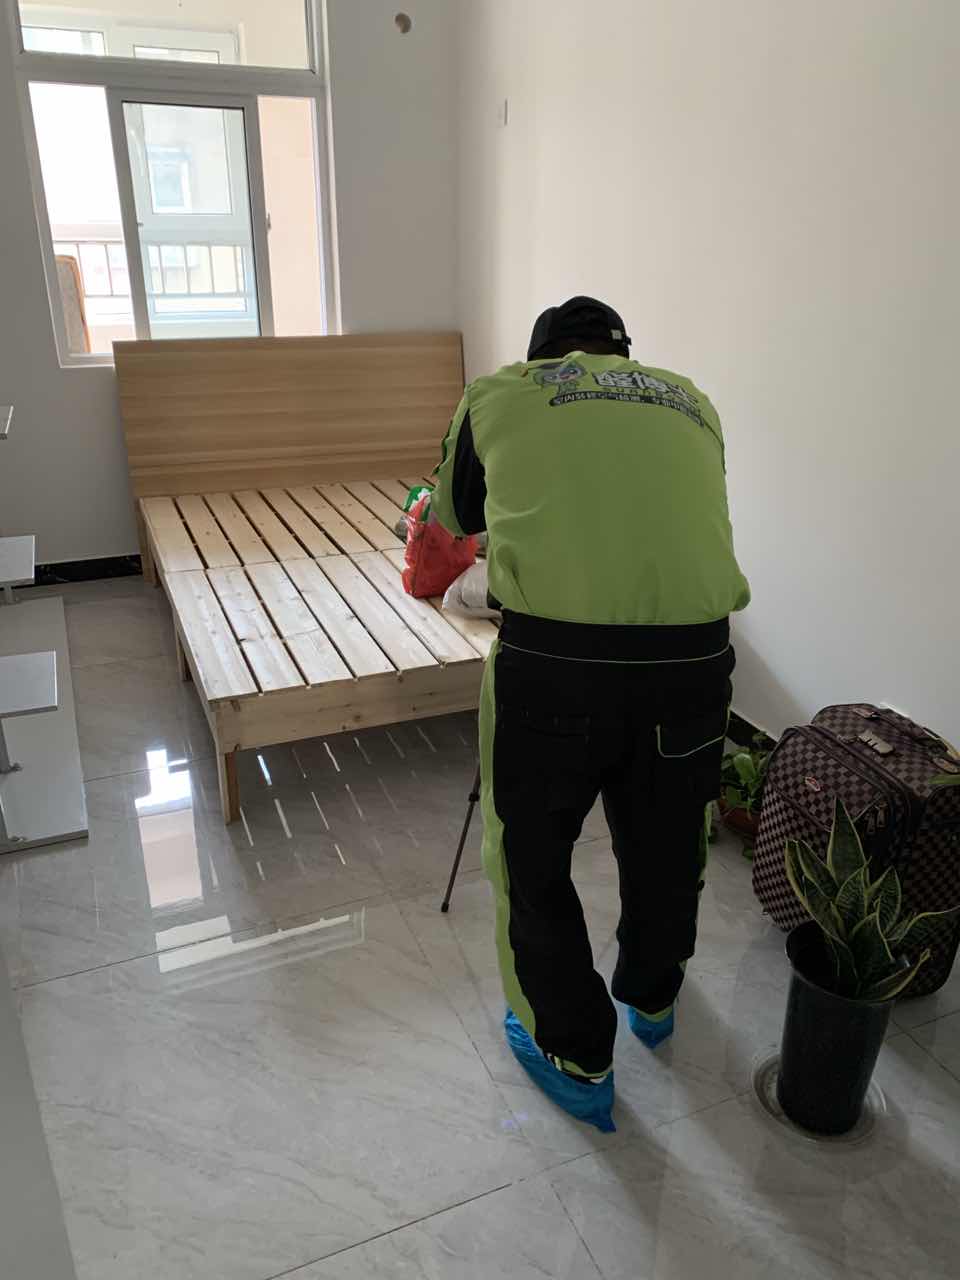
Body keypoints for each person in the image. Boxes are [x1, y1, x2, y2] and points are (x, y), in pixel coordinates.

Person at [431, 297, 750, 1131]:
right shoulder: (691, 398)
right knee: (670, 841)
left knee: (531, 860)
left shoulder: (498, 393)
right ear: (625, 355)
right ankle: (654, 998)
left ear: (542, 355)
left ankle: (573, 1052)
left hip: (556, 671)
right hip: (693, 665)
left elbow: (455, 521)